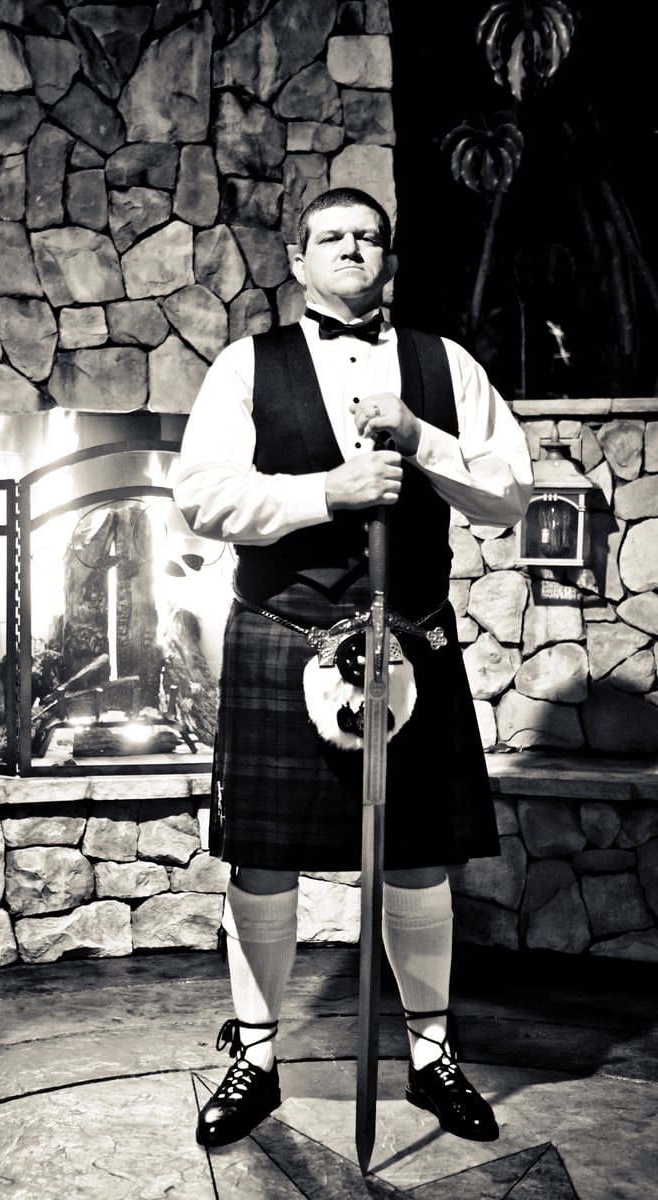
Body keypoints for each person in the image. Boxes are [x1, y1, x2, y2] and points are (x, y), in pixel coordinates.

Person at [173, 187, 533, 1150]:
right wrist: (325, 492)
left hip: (411, 636)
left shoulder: (445, 365)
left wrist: (419, 438)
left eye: (369, 237)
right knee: (263, 856)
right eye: (331, 237)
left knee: (417, 855)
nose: (352, 249)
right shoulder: (247, 364)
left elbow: (507, 493)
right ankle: (256, 1054)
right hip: (284, 630)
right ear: (298, 260)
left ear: (390, 260)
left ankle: (432, 1055)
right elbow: (200, 497)